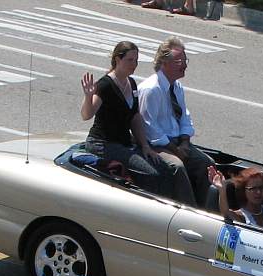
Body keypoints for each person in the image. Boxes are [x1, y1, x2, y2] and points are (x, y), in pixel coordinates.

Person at [81, 41, 193, 200]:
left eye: (136, 60)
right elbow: (87, 114)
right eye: (130, 60)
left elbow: (135, 117)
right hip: (104, 144)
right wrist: (88, 96)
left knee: (163, 167)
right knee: (152, 174)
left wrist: (145, 146)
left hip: (124, 142)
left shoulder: (131, 83)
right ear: (117, 60)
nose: (134, 64)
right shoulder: (105, 85)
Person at [138, 37, 215, 206]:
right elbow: (150, 128)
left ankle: (209, 208)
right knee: (177, 167)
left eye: (185, 59)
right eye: (179, 61)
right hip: (159, 145)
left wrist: (185, 142)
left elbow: (184, 117)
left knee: (206, 164)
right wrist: (175, 149)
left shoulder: (177, 87)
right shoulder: (151, 89)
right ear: (164, 62)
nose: (184, 65)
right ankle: (189, 209)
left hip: (178, 143)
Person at [208, 167, 263, 233]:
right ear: (243, 191)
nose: (258, 192)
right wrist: (222, 189)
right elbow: (226, 213)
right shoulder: (241, 217)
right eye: (253, 189)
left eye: (261, 187)